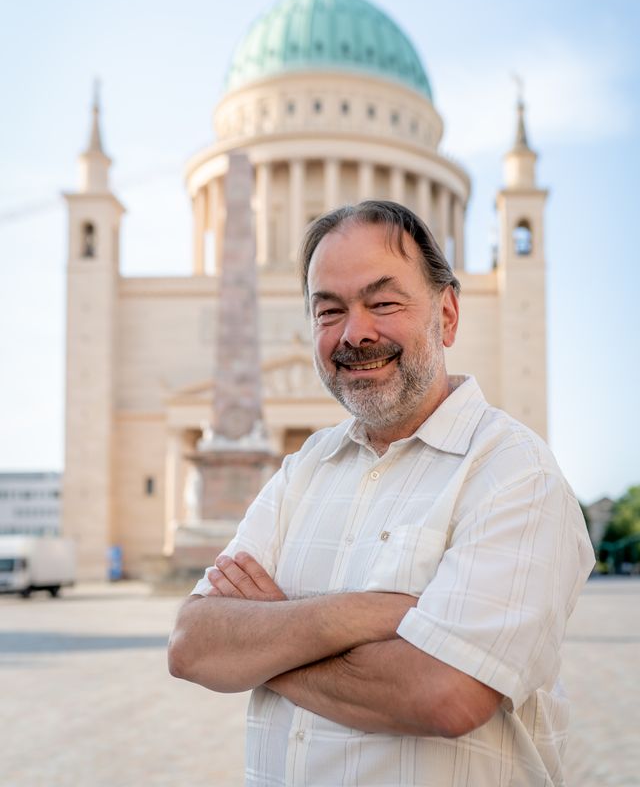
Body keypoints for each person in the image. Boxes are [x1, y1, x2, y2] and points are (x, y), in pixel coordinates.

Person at [168, 200, 594, 787]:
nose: (355, 332)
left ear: (446, 315)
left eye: (384, 303)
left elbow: (445, 693)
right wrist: (367, 613)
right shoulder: (303, 469)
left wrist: (264, 644)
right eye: (329, 310)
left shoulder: (515, 473)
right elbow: (192, 644)